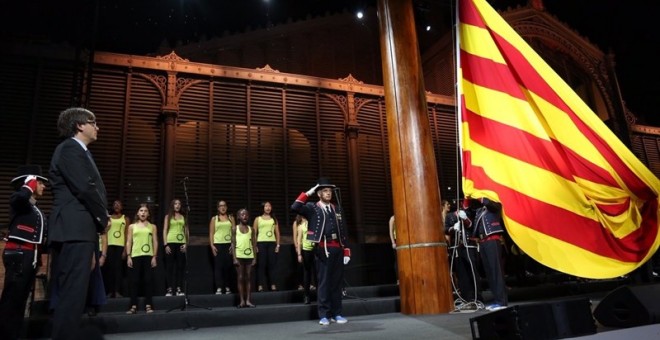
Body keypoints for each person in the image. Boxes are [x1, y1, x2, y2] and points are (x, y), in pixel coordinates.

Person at [48, 107, 108, 340]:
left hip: (81, 230)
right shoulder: (70, 149)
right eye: (94, 122)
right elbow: (84, 187)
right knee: (72, 293)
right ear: (79, 125)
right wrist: (103, 218)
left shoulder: (80, 151)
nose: (97, 127)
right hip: (73, 230)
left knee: (76, 293)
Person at [291, 177, 351, 326]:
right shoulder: (312, 208)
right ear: (319, 193)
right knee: (324, 283)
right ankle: (324, 314)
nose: (328, 193)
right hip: (323, 249)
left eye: (329, 191)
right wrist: (309, 192)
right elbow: (295, 207)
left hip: (337, 248)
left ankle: (337, 313)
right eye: (325, 191)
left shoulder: (337, 208)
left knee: (337, 284)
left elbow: (344, 230)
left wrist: (347, 251)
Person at [0, 165, 48, 340]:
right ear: (32, 182)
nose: (43, 187)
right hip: (19, 256)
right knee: (11, 302)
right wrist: (28, 185)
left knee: (20, 302)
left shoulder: (34, 208)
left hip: (29, 258)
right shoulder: (19, 200)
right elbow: (19, 199)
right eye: (40, 183)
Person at [471, 197, 507, 311]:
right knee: (489, 272)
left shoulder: (494, 204)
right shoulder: (480, 210)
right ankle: (497, 300)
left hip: (492, 240)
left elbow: (494, 207)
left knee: (496, 271)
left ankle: (502, 301)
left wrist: (483, 199)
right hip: (483, 242)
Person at [445, 201, 480, 308]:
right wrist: (452, 228)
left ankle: (477, 298)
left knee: (472, 272)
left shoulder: (468, 213)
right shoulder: (449, 216)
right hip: (457, 248)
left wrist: (465, 218)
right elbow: (445, 229)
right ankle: (466, 299)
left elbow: (472, 226)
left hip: (469, 246)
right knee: (462, 274)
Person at [125, 203, 158, 314]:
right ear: (137, 213)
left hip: (148, 255)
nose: (143, 213)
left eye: (145, 211)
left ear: (148, 214)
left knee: (148, 280)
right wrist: (128, 256)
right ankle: (133, 305)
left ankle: (148, 305)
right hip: (135, 255)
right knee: (134, 281)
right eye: (141, 211)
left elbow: (155, 241)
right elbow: (129, 241)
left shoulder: (152, 226)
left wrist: (154, 256)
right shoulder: (132, 226)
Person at [163, 198, 189, 296]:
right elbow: (165, 230)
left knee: (180, 267)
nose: (177, 205)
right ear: (172, 205)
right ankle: (169, 289)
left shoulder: (183, 217)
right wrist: (165, 244)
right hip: (170, 242)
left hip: (181, 243)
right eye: (175, 204)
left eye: (179, 204)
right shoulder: (168, 216)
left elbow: (186, 231)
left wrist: (186, 243)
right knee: (169, 267)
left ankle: (179, 288)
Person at [104, 199, 130, 298]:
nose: (116, 206)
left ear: (122, 207)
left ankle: (117, 291)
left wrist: (125, 249)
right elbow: (105, 232)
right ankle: (110, 291)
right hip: (109, 245)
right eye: (115, 204)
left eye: (119, 204)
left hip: (120, 246)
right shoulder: (108, 218)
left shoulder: (125, 218)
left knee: (118, 269)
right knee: (110, 269)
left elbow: (127, 234)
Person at [232, 208, 257, 308]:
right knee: (240, 278)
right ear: (238, 217)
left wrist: (255, 258)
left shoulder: (252, 229)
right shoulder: (235, 229)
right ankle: (242, 301)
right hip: (239, 255)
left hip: (249, 256)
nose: (244, 216)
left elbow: (254, 244)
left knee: (248, 278)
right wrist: (234, 258)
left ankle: (248, 301)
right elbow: (233, 244)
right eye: (242, 215)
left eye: (246, 214)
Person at [253, 201, 280, 292]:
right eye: (266, 206)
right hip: (261, 243)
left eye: (269, 206)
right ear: (263, 208)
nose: (268, 208)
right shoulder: (258, 219)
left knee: (272, 265)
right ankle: (260, 285)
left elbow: (277, 233)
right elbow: (254, 233)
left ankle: (273, 284)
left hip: (271, 243)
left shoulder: (274, 219)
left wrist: (278, 245)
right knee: (261, 265)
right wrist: (255, 245)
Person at [209, 200, 235, 295]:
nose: (222, 207)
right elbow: (211, 233)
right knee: (218, 267)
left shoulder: (231, 218)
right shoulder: (214, 219)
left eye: (224, 205)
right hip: (218, 244)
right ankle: (219, 287)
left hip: (228, 244)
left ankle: (228, 287)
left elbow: (234, 232)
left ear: (226, 207)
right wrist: (212, 245)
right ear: (218, 208)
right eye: (220, 206)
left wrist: (233, 244)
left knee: (228, 267)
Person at [294, 214, 316, 304]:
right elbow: (299, 241)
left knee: (318, 273)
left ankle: (321, 295)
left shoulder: (315, 225)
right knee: (307, 273)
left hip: (316, 250)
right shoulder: (301, 227)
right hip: (306, 251)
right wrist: (299, 254)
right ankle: (306, 296)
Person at [388, 215, 398, 284]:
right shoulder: (392, 218)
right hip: (396, 240)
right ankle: (398, 279)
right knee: (397, 261)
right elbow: (391, 232)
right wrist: (393, 242)